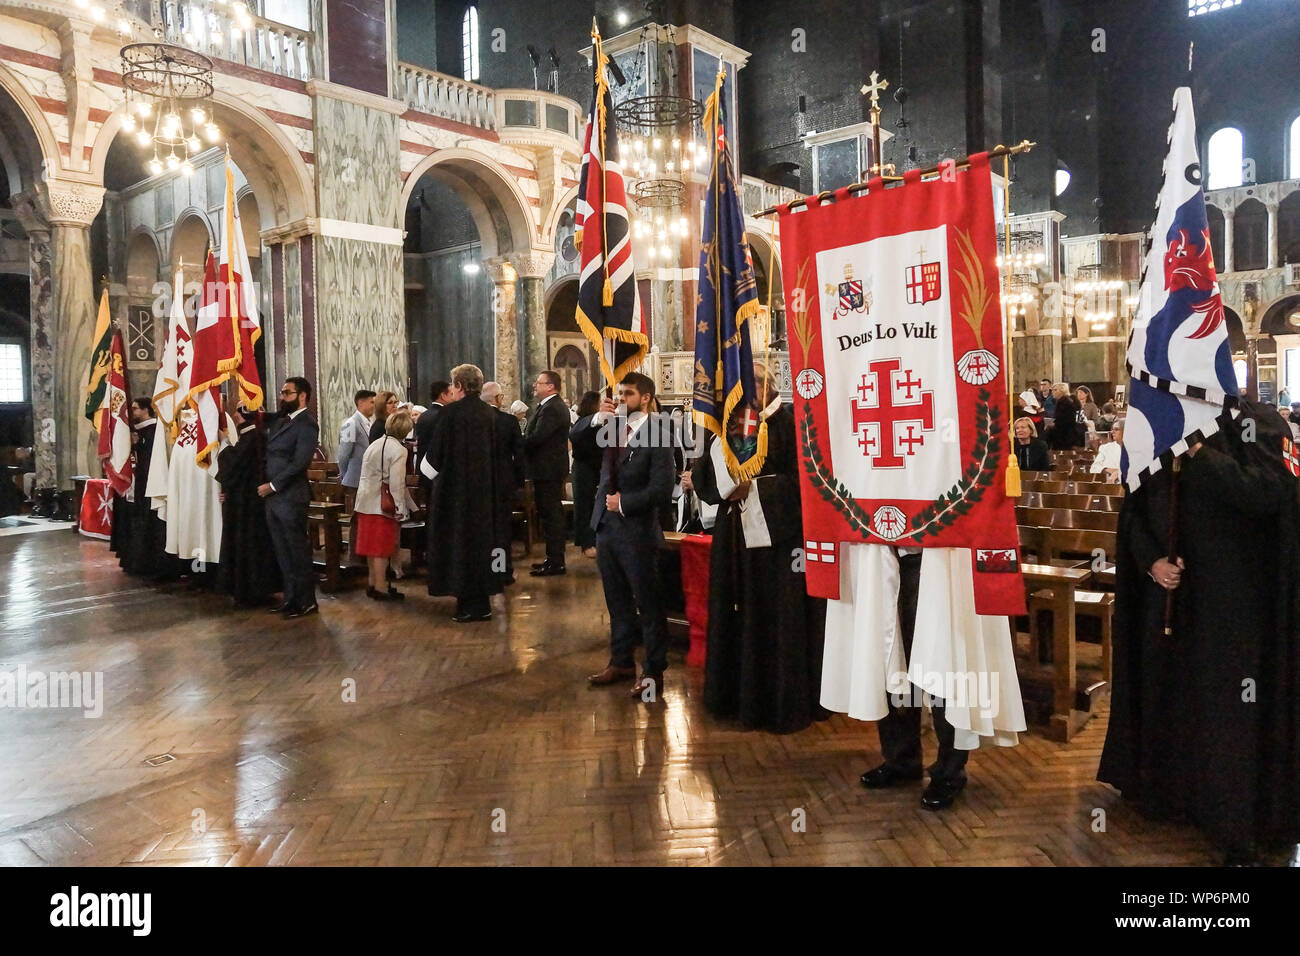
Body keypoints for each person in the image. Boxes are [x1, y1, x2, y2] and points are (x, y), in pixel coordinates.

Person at [1098, 401, 1300, 864]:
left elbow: (1269, 492)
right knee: (1175, 701)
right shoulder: (1158, 424)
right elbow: (1134, 511)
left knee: (1229, 719)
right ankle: (1170, 795)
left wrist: (1198, 454)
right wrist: (1152, 560)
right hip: (1169, 608)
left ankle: (1233, 822)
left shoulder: (1258, 423)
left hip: (1238, 615)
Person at [693, 364, 828, 733]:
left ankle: (779, 705)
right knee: (733, 613)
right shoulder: (731, 427)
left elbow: (809, 485)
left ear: (770, 386)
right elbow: (704, 475)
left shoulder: (791, 424)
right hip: (734, 538)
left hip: (779, 549)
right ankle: (734, 698)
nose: (744, 393)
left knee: (777, 620)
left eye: (752, 384)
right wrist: (717, 486)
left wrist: (754, 489)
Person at [586, 372, 675, 699]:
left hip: (636, 532)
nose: (622, 399)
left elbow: (663, 489)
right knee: (617, 602)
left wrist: (626, 503)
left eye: (629, 394)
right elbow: (576, 434)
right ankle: (621, 661)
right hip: (606, 530)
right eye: (619, 393)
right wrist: (598, 416)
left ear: (646, 398)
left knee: (647, 605)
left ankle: (653, 671)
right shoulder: (610, 429)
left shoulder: (659, 433)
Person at [426, 364, 510, 622]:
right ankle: (482, 603)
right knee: (484, 547)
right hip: (487, 496)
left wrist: (430, 482)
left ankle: (467, 604)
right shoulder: (491, 415)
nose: (451, 389)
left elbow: (432, 463)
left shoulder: (449, 415)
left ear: (460, 386)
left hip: (457, 497)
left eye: (453, 384)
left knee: (460, 548)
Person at [259, 377, 320, 618]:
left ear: (302, 395)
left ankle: (306, 601)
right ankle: (291, 598)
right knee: (282, 551)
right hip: (274, 499)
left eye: (287, 393)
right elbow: (257, 415)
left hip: (291, 496)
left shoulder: (307, 424)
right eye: (282, 392)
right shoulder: (283, 420)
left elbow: (299, 462)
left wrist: (273, 485)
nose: (282, 397)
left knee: (297, 551)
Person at [215, 406, 281, 605]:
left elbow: (232, 464)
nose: (234, 416)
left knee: (248, 543)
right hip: (251, 499)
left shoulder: (251, 437)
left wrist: (223, 443)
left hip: (246, 502)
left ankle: (250, 589)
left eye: (237, 412)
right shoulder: (257, 435)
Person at [355, 410, 416, 601]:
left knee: (370, 546)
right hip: (382, 504)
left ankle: (372, 583)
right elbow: (397, 483)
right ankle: (381, 588)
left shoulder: (374, 444)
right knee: (381, 547)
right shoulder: (399, 450)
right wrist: (400, 508)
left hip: (365, 501)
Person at [523, 370, 571, 577]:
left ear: (550, 386)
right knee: (549, 514)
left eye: (539, 382)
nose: (535, 385)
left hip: (548, 469)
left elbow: (537, 437)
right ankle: (553, 558)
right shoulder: (549, 406)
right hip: (546, 468)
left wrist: (517, 443)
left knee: (551, 515)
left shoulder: (552, 408)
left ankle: (556, 561)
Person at [118, 398, 170, 577]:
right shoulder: (137, 431)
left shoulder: (155, 430)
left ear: (147, 410)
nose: (132, 413)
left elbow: (150, 457)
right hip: (139, 483)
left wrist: (138, 445)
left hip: (151, 482)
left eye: (135, 409)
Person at [482, 381, 525, 582]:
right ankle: (500, 571)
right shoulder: (508, 421)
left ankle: (483, 571)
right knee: (501, 530)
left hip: (478, 483)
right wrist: (517, 481)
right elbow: (519, 455)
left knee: (482, 529)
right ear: (498, 399)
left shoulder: (474, 420)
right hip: (503, 483)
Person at [569, 391, 603, 559]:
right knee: (585, 507)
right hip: (584, 470)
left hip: (598, 469)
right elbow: (575, 436)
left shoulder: (604, 423)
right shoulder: (583, 423)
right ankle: (586, 543)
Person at [336, 389, 375, 491]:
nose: (374, 406)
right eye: (372, 402)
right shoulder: (351, 424)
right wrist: (345, 476)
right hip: (354, 481)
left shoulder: (369, 423)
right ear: (361, 403)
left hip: (367, 480)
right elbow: (343, 454)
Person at [1047, 383, 1084, 449]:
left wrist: (1054, 425)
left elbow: (1065, 419)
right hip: (1069, 433)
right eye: (1052, 390)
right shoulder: (1066, 400)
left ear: (1062, 391)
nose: (1053, 392)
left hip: (1065, 435)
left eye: (1055, 390)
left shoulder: (1064, 402)